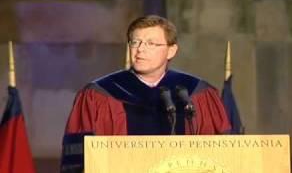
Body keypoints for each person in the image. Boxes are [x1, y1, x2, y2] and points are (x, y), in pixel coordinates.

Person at [60, 15, 231, 172]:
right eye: (135, 42)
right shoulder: (98, 95)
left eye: (151, 43)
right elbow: (78, 160)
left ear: (171, 51)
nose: (140, 49)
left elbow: (221, 157)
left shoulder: (197, 94)